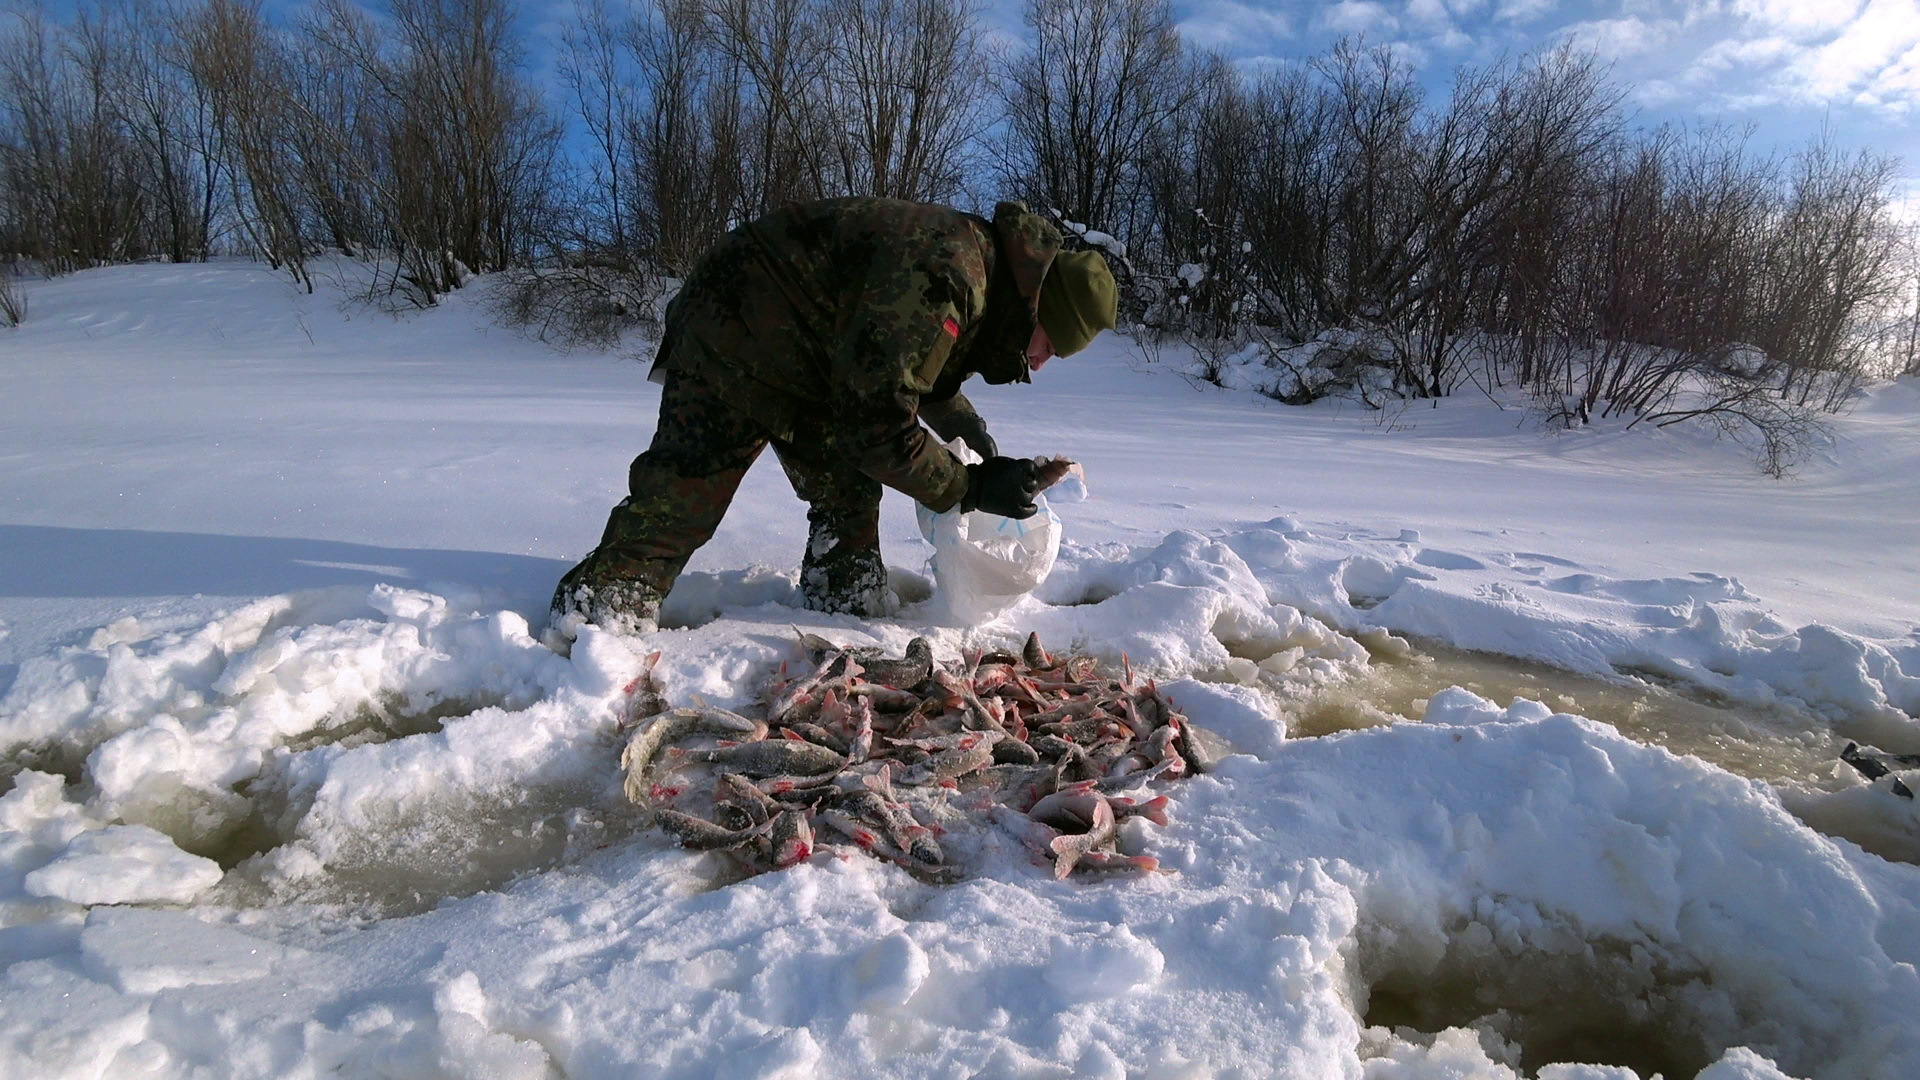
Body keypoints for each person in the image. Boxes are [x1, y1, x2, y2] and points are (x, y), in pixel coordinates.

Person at [546, 197, 1119, 643]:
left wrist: (959, 421)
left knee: (848, 488)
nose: (1040, 363)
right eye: (1050, 346)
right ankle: (597, 616)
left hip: (816, 352)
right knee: (689, 489)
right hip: (738, 321)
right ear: (1039, 306)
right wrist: (966, 487)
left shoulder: (985, 276)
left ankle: (844, 598)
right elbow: (876, 424)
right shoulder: (949, 271)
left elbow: (904, 360)